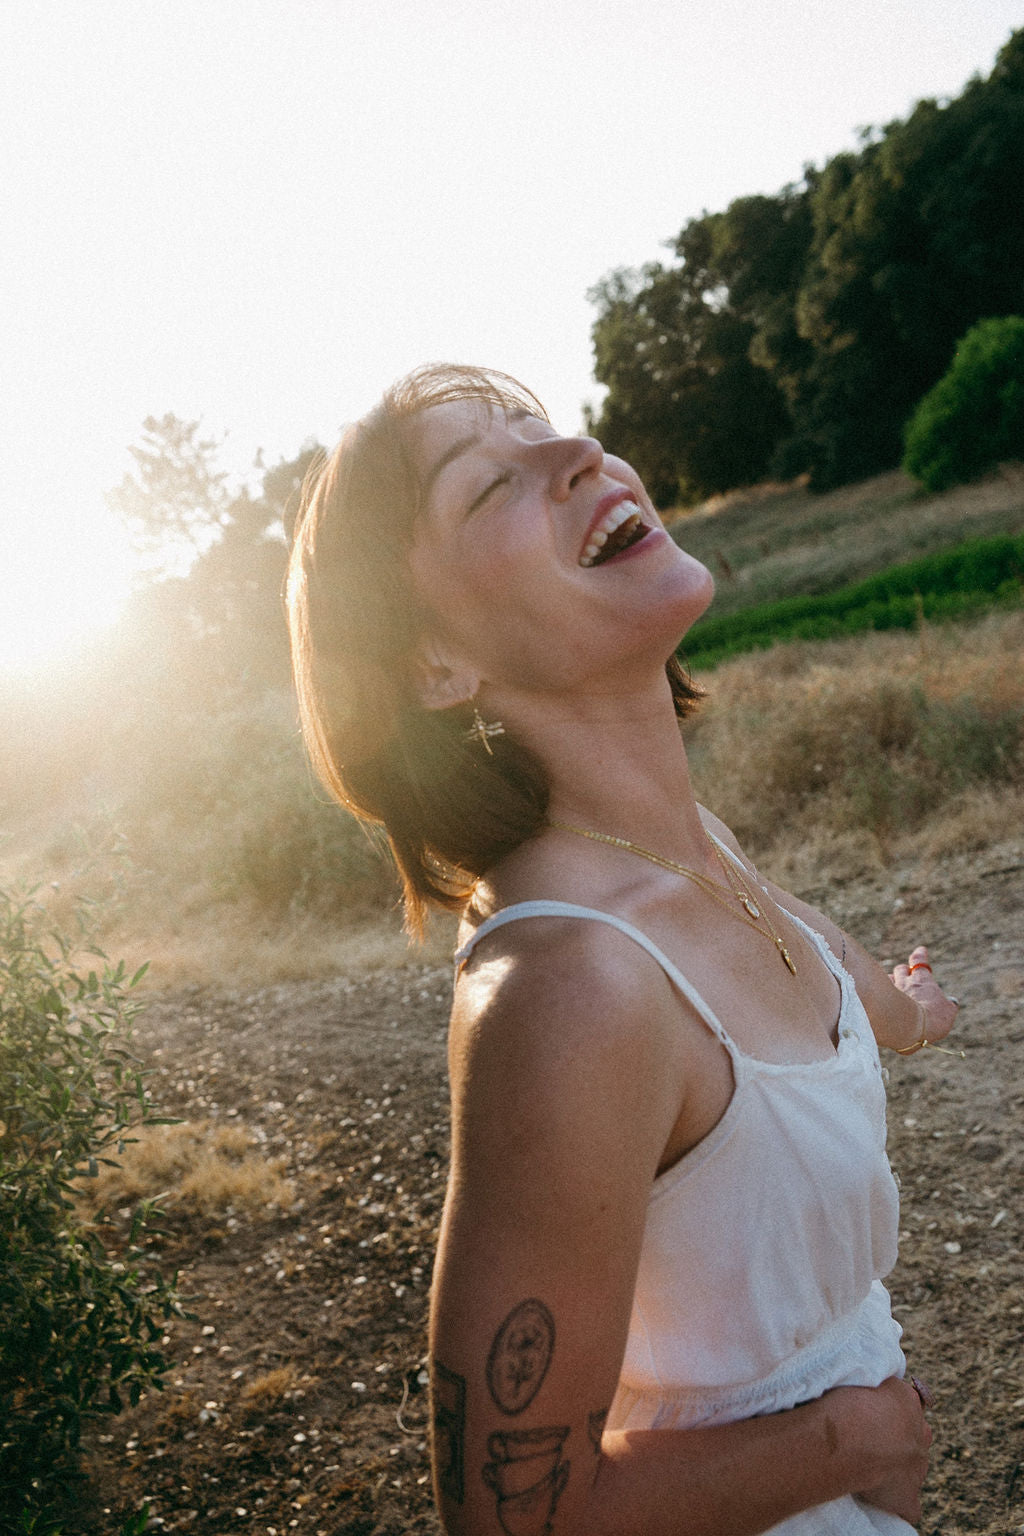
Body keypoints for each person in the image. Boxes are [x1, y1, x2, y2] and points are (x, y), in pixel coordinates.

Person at [286, 363, 960, 1536]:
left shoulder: (692, 850)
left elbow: (806, 957)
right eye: (491, 481)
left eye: (547, 428)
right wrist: (856, 1434)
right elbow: (515, 1520)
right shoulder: (570, 991)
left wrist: (908, 1010)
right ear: (435, 666)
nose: (579, 451)